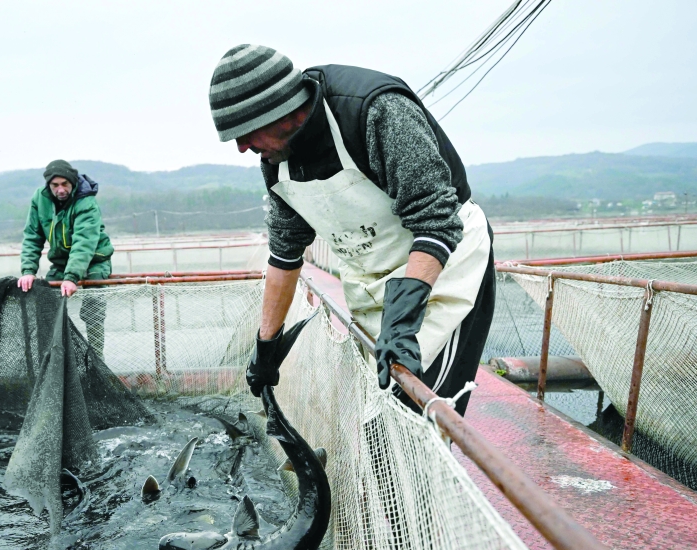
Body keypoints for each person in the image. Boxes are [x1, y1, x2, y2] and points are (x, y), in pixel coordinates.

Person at [209, 45, 495, 416]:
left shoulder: (374, 110)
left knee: (418, 415)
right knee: (378, 420)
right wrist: (266, 347)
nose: (242, 148)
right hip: (372, 284)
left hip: (439, 271)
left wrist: (404, 316)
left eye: (245, 133)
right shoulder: (276, 159)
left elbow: (435, 219)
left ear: (281, 111)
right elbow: (285, 254)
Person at [17, 159, 114, 357]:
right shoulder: (40, 199)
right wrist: (28, 271)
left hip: (95, 259)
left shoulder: (85, 201)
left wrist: (71, 277)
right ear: (48, 185)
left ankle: (96, 360)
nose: (60, 189)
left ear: (72, 182)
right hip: (62, 262)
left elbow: (84, 242)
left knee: (93, 310)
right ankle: (55, 360)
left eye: (65, 184)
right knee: (47, 306)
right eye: (55, 185)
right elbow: (32, 236)